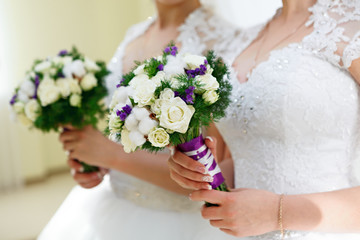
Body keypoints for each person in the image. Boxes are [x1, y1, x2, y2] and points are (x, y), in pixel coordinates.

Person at [38, 0, 258, 239]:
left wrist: (111, 154)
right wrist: (96, 162)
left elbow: (218, 173)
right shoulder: (135, 33)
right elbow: (129, 132)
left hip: (182, 224)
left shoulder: (226, 41)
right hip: (117, 209)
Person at [168, 0, 360, 239]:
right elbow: (249, 160)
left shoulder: (353, 29)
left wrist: (276, 212)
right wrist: (198, 171)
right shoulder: (236, 44)